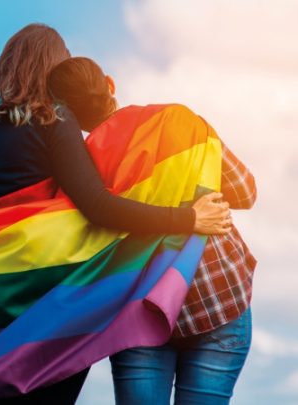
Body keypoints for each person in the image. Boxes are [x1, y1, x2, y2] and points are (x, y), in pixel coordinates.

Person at [0, 24, 231, 405]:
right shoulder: (53, 119)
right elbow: (98, 207)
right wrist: (187, 219)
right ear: (53, 72)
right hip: (52, 305)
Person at [47, 56, 257, 405]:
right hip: (218, 297)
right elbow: (246, 192)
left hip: (140, 310)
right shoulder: (179, 120)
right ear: (110, 85)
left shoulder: (80, 169)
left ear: (64, 112)